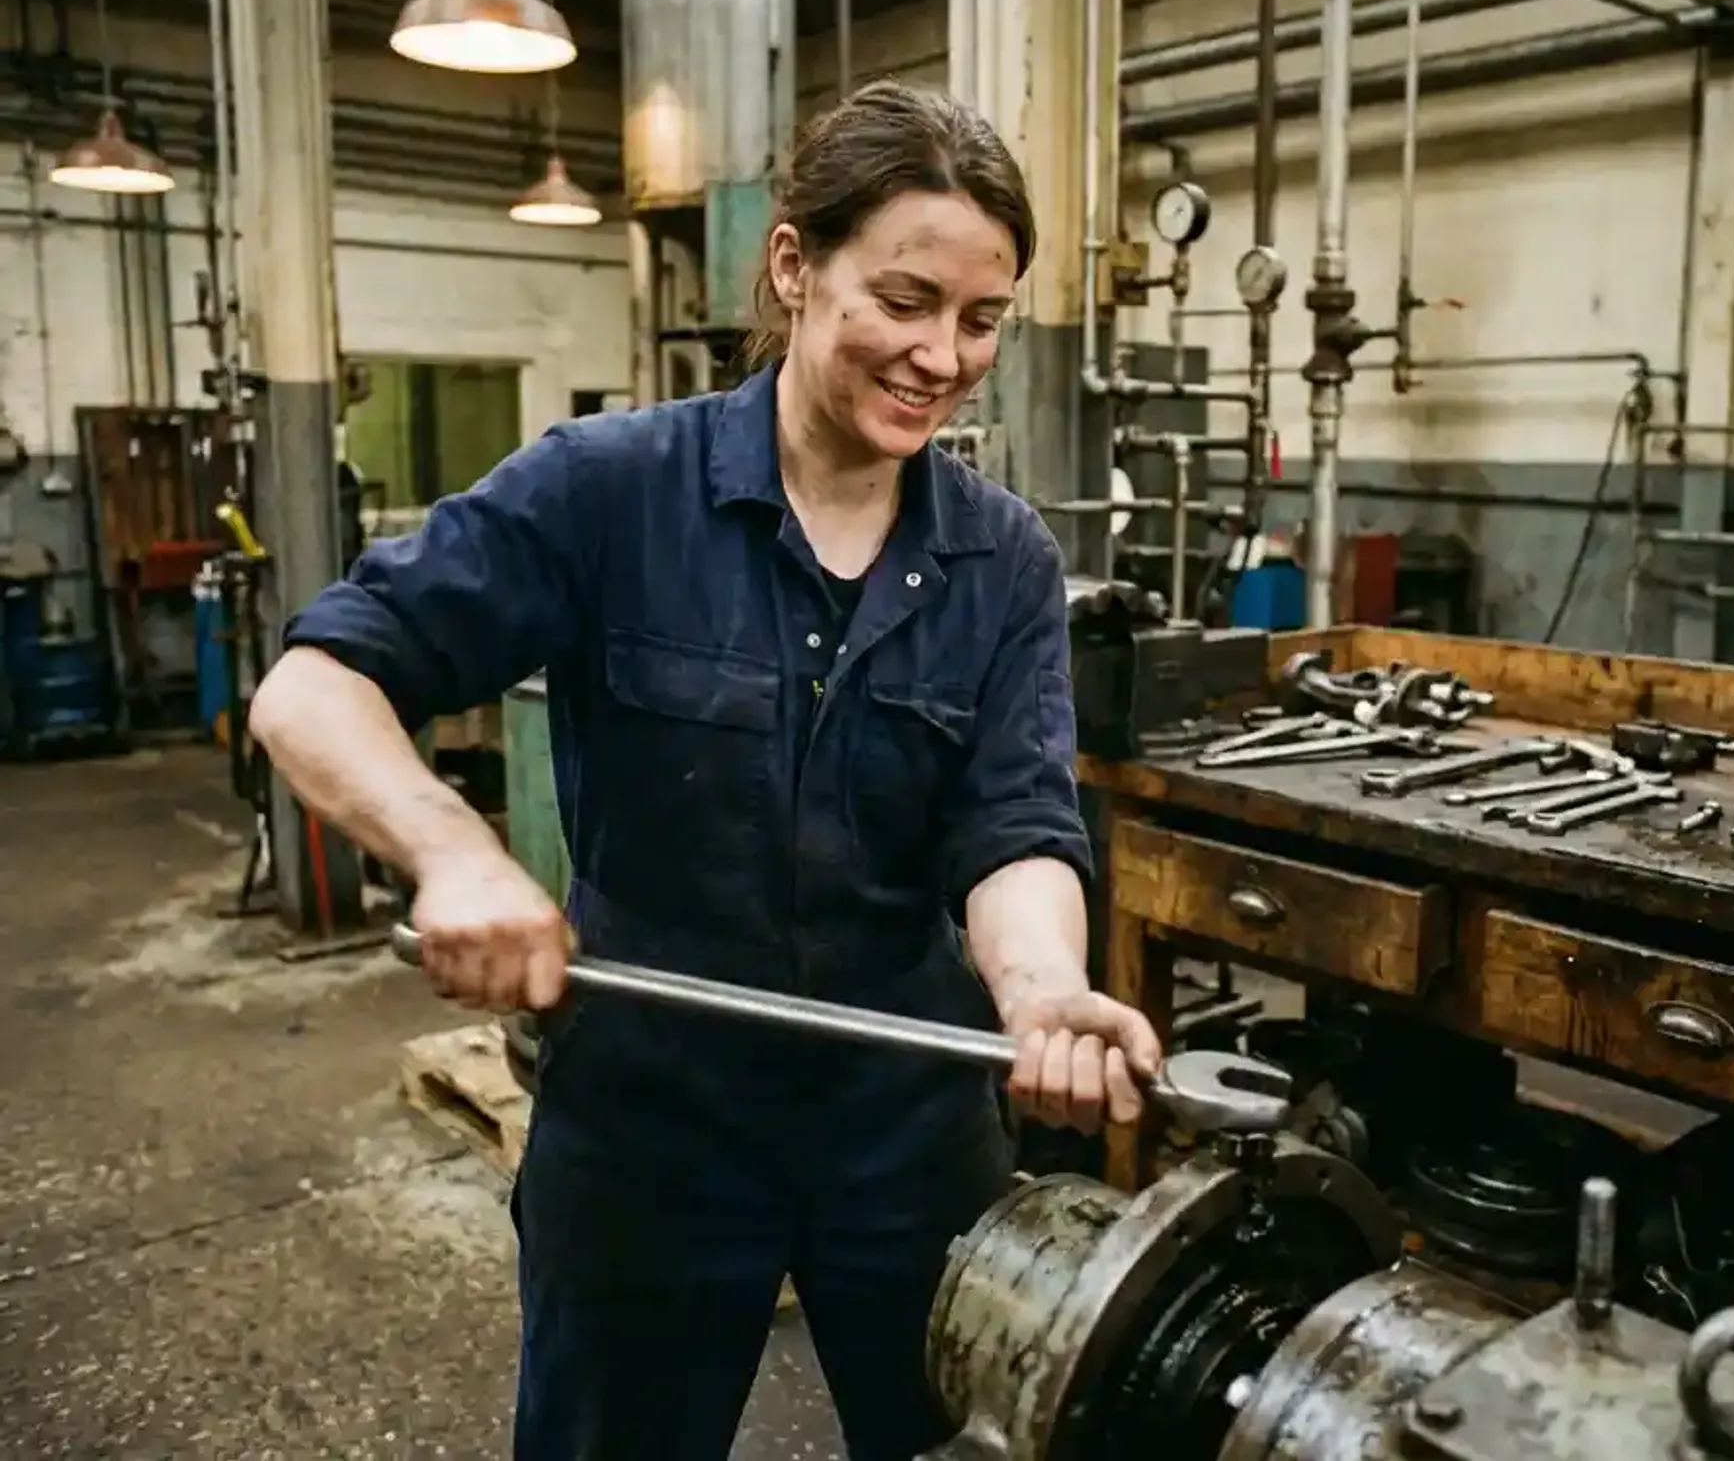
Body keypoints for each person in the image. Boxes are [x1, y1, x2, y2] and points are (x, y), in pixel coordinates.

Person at [247, 80, 1165, 1461]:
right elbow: (316, 687)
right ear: (795, 267)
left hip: (908, 1130)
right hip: (648, 1127)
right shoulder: (606, 489)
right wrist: (454, 849)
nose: (942, 354)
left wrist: (1041, 997)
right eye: (904, 300)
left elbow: (1013, 819)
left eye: (981, 320)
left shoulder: (1005, 560)